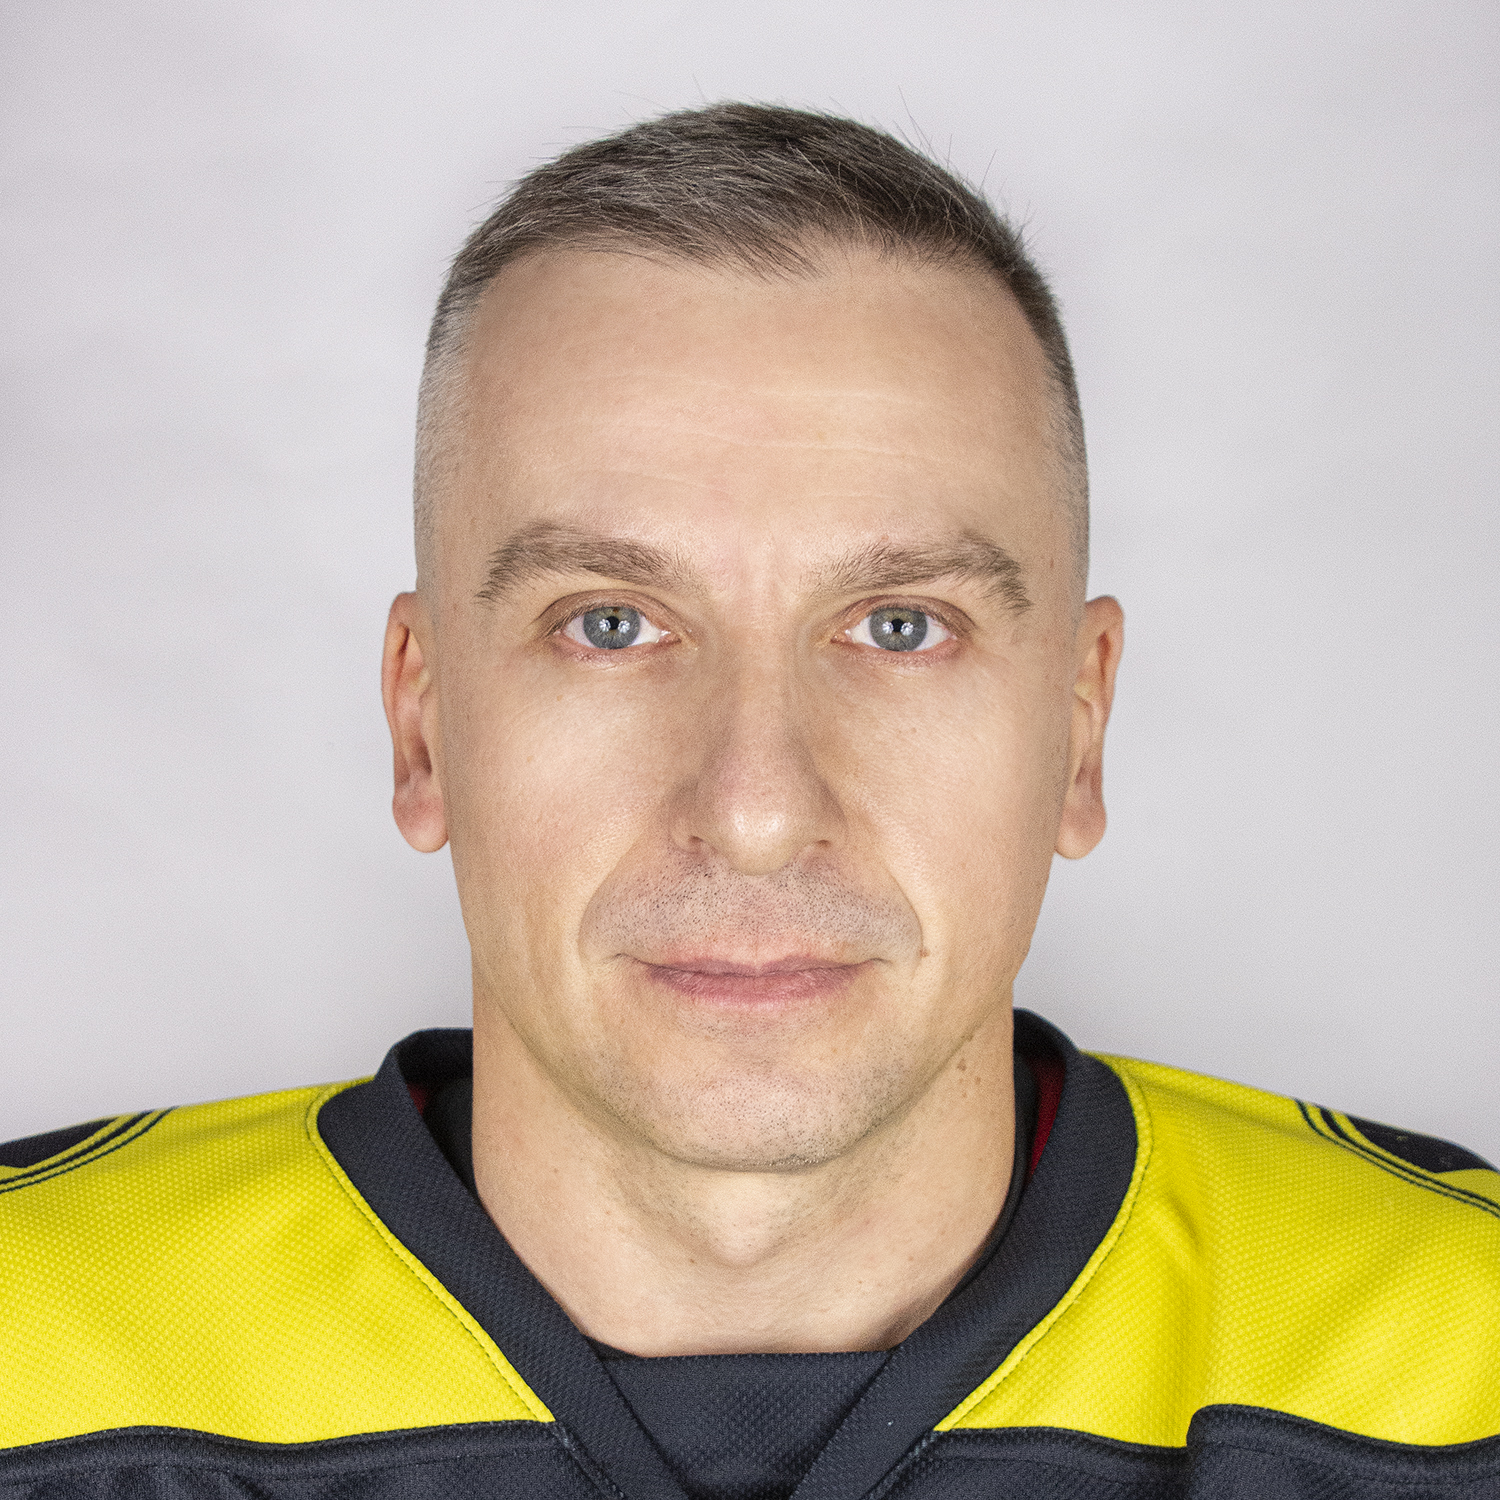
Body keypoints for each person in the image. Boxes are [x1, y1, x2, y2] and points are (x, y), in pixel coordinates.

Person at [1, 103, 1495, 1500]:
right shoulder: (35, 1352)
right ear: (422, 722)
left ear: (1080, 729)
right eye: (609, 624)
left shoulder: (1457, 1361)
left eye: (901, 626)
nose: (759, 809)